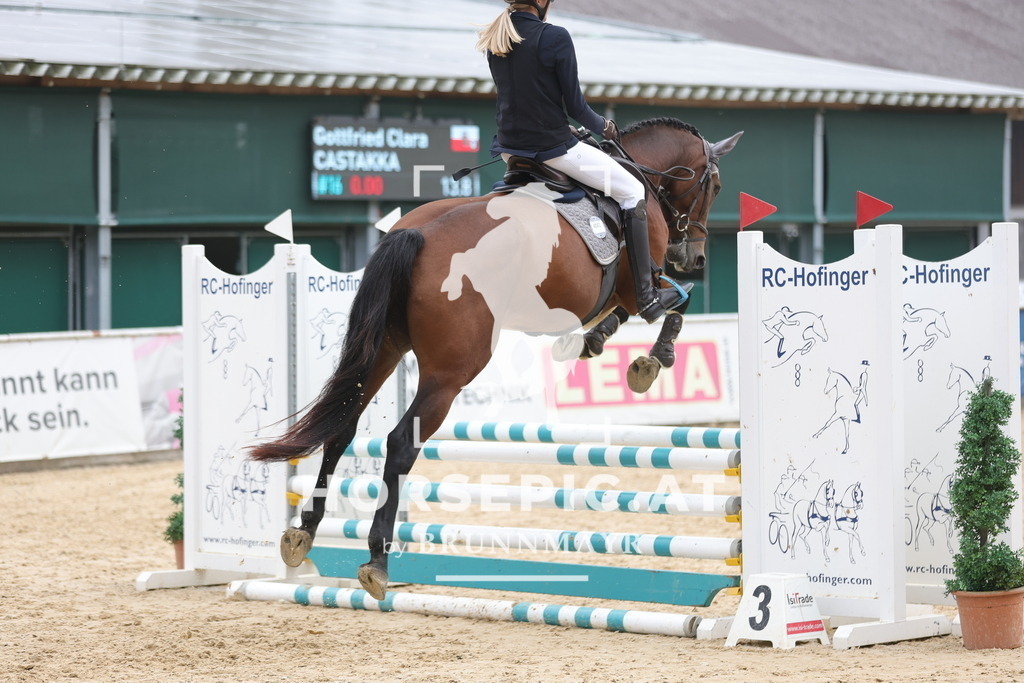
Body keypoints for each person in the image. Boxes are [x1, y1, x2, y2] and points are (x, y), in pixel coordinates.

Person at [476, 0, 681, 323]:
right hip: (553, 149)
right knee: (631, 191)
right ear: (541, 2)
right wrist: (605, 127)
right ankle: (646, 295)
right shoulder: (555, 36)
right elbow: (576, 105)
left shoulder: (496, 40)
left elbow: (524, 99)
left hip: (510, 150)